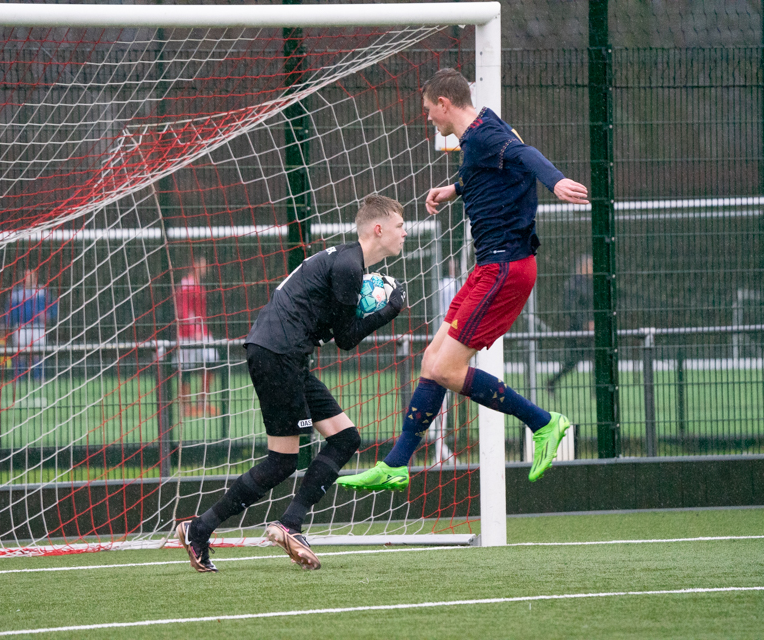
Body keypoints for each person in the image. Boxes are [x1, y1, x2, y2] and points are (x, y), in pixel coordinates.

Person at [337, 68, 590, 492]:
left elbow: (525, 156)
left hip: (505, 269)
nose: (428, 119)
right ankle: (397, 463)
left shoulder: (487, 134)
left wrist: (556, 180)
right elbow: (492, 169)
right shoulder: (479, 134)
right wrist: (453, 189)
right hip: (489, 267)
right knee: (431, 362)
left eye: (428, 110)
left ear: (444, 104)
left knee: (448, 369)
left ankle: (544, 423)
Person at [176, 194, 408, 572]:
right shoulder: (349, 266)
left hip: (287, 355)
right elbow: (347, 339)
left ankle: (286, 523)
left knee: (346, 438)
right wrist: (389, 310)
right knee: (282, 461)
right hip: (278, 354)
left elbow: (337, 328)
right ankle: (204, 529)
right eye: (400, 226)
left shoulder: (348, 263)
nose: (405, 232)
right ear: (379, 229)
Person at [174, 255, 219, 418]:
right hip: (187, 334)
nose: (205, 268)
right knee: (185, 369)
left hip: (202, 333)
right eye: (202, 264)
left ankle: (202, 403)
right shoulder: (186, 284)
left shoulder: (199, 285)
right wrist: (193, 330)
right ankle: (185, 406)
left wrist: (204, 330)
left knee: (211, 361)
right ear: (194, 265)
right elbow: (183, 311)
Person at [546, 254, 594, 398]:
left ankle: (597, 391)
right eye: (591, 265)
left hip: (591, 330)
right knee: (571, 362)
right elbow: (570, 308)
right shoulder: (572, 284)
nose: (593, 268)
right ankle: (551, 383)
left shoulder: (590, 284)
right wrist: (585, 323)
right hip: (576, 330)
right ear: (583, 266)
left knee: (598, 359)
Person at [6, 269, 56, 382]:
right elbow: (8, 311)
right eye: (26, 277)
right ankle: (19, 380)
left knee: (38, 354)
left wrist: (48, 315)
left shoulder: (42, 291)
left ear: (35, 277)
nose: (28, 279)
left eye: (30, 276)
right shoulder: (16, 293)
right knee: (20, 354)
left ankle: (39, 379)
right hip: (21, 327)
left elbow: (53, 307)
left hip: (38, 327)